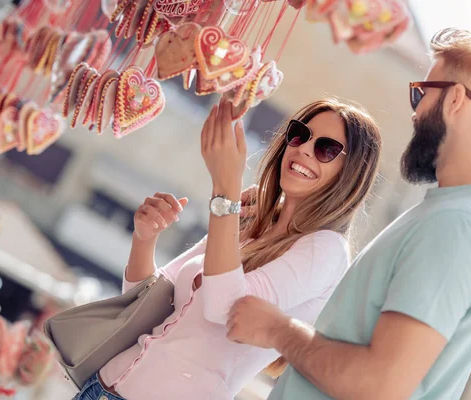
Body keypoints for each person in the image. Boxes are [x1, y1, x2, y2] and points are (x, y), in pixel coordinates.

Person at [226, 28, 471, 400]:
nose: (415, 112)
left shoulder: (460, 225)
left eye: (420, 94)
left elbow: (380, 385)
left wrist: (277, 330)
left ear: (456, 100)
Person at [72, 97, 382, 399]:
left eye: (327, 149)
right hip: (99, 387)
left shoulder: (326, 250)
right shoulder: (248, 216)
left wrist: (225, 192)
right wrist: (144, 237)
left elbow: (225, 308)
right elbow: (144, 300)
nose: (303, 150)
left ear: (352, 173)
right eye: (300, 135)